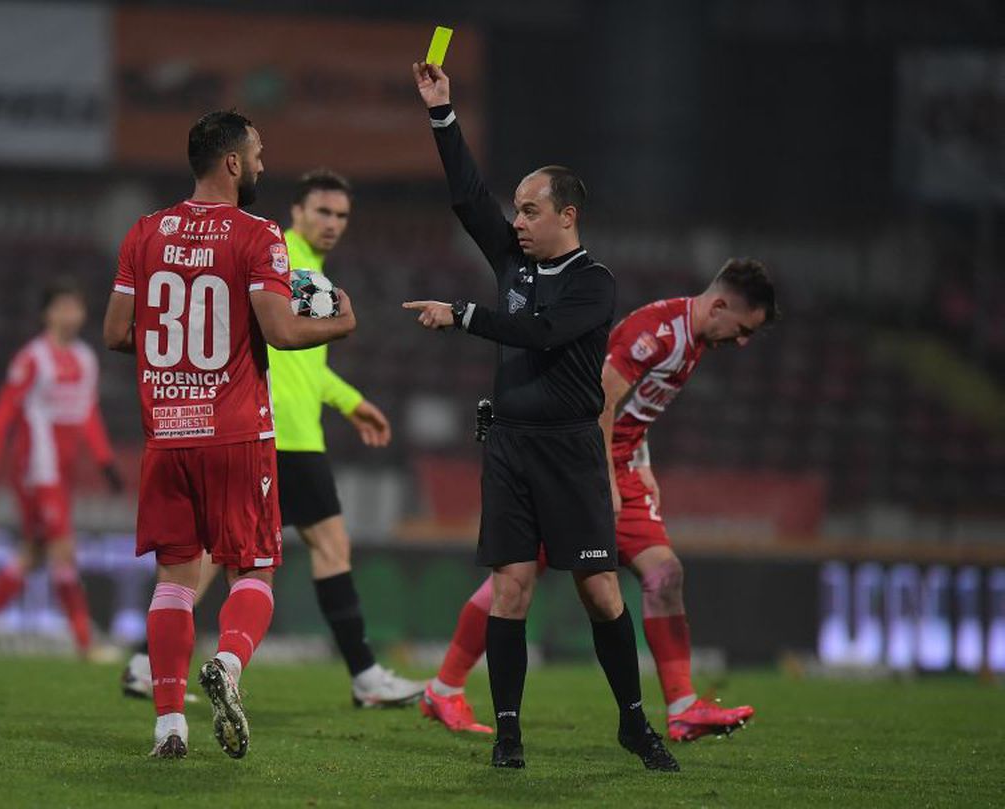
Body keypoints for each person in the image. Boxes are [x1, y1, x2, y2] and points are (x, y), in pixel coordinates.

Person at [403, 62, 677, 772]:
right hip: (510, 448)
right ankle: (508, 733)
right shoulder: (513, 262)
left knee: (600, 591)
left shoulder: (594, 283)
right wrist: (442, 114)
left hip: (571, 451)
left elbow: (545, 333)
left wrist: (465, 314)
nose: (517, 221)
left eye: (529, 211)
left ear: (567, 215)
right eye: (517, 211)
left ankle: (634, 723)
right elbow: (468, 199)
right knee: (512, 588)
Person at [421, 261, 777, 742]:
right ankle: (444, 688)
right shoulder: (656, 332)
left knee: (664, 574)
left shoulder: (692, 339)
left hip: (618, 463)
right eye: (742, 329)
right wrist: (604, 475)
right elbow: (602, 398)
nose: (742, 341)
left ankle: (683, 707)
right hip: (580, 461)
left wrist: (642, 461)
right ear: (718, 306)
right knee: (514, 582)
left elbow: (636, 407)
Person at [103, 110, 357, 759]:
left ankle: (168, 726)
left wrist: (179, 354)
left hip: (167, 432)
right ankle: (229, 663)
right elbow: (280, 330)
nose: (264, 165)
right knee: (255, 568)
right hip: (237, 433)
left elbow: (115, 333)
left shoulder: (145, 231)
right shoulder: (257, 233)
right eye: (259, 153)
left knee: (174, 579)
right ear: (234, 162)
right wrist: (342, 322)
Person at [120, 170, 424, 709]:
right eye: (322, 211)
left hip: (281, 430)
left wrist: (350, 402)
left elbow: (305, 368)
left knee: (220, 553)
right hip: (276, 433)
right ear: (298, 211)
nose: (332, 223)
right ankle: (365, 676)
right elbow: (279, 342)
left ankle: (147, 663)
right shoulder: (282, 258)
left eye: (342, 215)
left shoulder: (300, 265)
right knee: (318, 548)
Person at [0, 279, 122, 659]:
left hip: (64, 472)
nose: (70, 315)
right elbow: (4, 412)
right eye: (62, 307)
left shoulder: (85, 358)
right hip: (37, 469)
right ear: (46, 314)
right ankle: (85, 642)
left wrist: (106, 462)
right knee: (63, 549)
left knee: (34, 551)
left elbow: (87, 413)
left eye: (76, 307)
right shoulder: (32, 359)